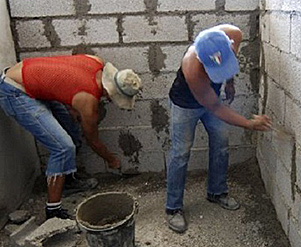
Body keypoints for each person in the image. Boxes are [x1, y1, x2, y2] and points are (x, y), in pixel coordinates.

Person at [0, 54, 142, 219]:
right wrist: (112, 160)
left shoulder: (96, 61)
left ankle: (68, 181)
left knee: (73, 132)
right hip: (15, 92)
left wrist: (73, 104)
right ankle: (53, 210)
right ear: (110, 93)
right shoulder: (88, 101)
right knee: (63, 147)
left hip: (28, 79)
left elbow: (66, 78)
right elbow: (93, 141)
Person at [166, 24, 271, 233]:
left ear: (230, 44)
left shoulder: (233, 35)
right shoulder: (192, 66)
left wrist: (229, 82)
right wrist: (249, 124)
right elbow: (215, 107)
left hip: (211, 99)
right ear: (203, 61)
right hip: (186, 105)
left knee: (221, 143)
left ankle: (217, 192)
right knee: (180, 153)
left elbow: (228, 60)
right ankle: (173, 208)